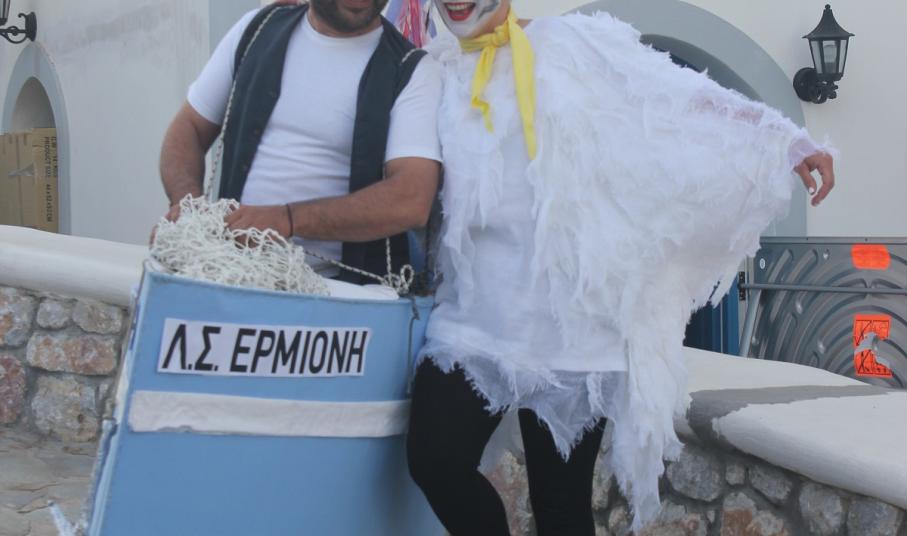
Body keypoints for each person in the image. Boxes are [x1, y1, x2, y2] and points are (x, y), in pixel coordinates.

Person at [406, 1, 836, 534]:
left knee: (560, 505)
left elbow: (671, 94)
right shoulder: (435, 68)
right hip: (475, 321)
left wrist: (782, 137)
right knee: (435, 460)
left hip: (573, 330)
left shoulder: (570, 42)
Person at [158, 0, 442, 282]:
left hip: (341, 295)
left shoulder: (413, 70)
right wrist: (187, 205)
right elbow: (189, 128)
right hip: (229, 274)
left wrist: (289, 219)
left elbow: (411, 198)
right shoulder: (256, 29)